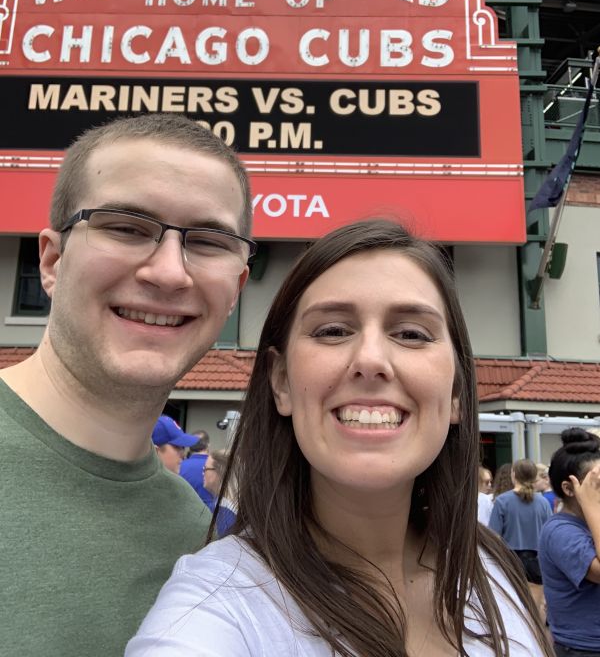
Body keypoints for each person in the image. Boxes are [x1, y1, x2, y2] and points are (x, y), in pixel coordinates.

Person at [127, 219, 552, 657]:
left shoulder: (493, 569)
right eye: (332, 330)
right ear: (281, 383)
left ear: (458, 393)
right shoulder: (213, 606)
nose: (370, 359)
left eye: (411, 334)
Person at [0, 113, 255, 657]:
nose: (168, 273)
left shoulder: (204, 549)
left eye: (208, 240)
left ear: (235, 288)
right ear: (51, 259)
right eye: (125, 227)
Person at [539, 428, 600, 657]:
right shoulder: (559, 531)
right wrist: (593, 504)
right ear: (569, 488)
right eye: (596, 484)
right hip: (583, 648)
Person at [489, 459, 552, 615]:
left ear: (514, 474)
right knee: (536, 609)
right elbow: (549, 533)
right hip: (537, 559)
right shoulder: (543, 502)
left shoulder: (502, 501)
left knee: (513, 608)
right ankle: (537, 638)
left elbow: (494, 536)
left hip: (510, 559)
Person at [203, 449, 237, 536]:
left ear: (220, 471)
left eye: (205, 469)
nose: (203, 473)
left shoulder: (223, 515)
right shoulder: (232, 507)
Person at [180, 428, 215, 506]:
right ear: (208, 444)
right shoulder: (218, 466)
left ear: (190, 445)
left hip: (187, 512)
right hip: (213, 514)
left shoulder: (179, 466)